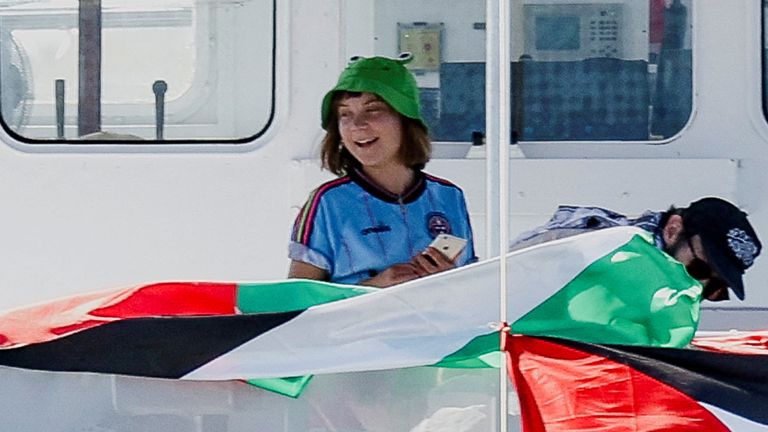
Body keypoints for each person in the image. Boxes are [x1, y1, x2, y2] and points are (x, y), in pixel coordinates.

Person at [288, 54, 476, 287]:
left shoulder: (450, 196)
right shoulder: (327, 203)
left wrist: (451, 279)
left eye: (373, 110)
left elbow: (472, 291)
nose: (357, 125)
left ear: (405, 119)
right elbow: (299, 300)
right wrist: (375, 287)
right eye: (345, 114)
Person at [509, 197, 762, 302]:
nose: (698, 287)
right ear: (673, 230)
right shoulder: (596, 246)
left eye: (713, 289)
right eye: (699, 269)